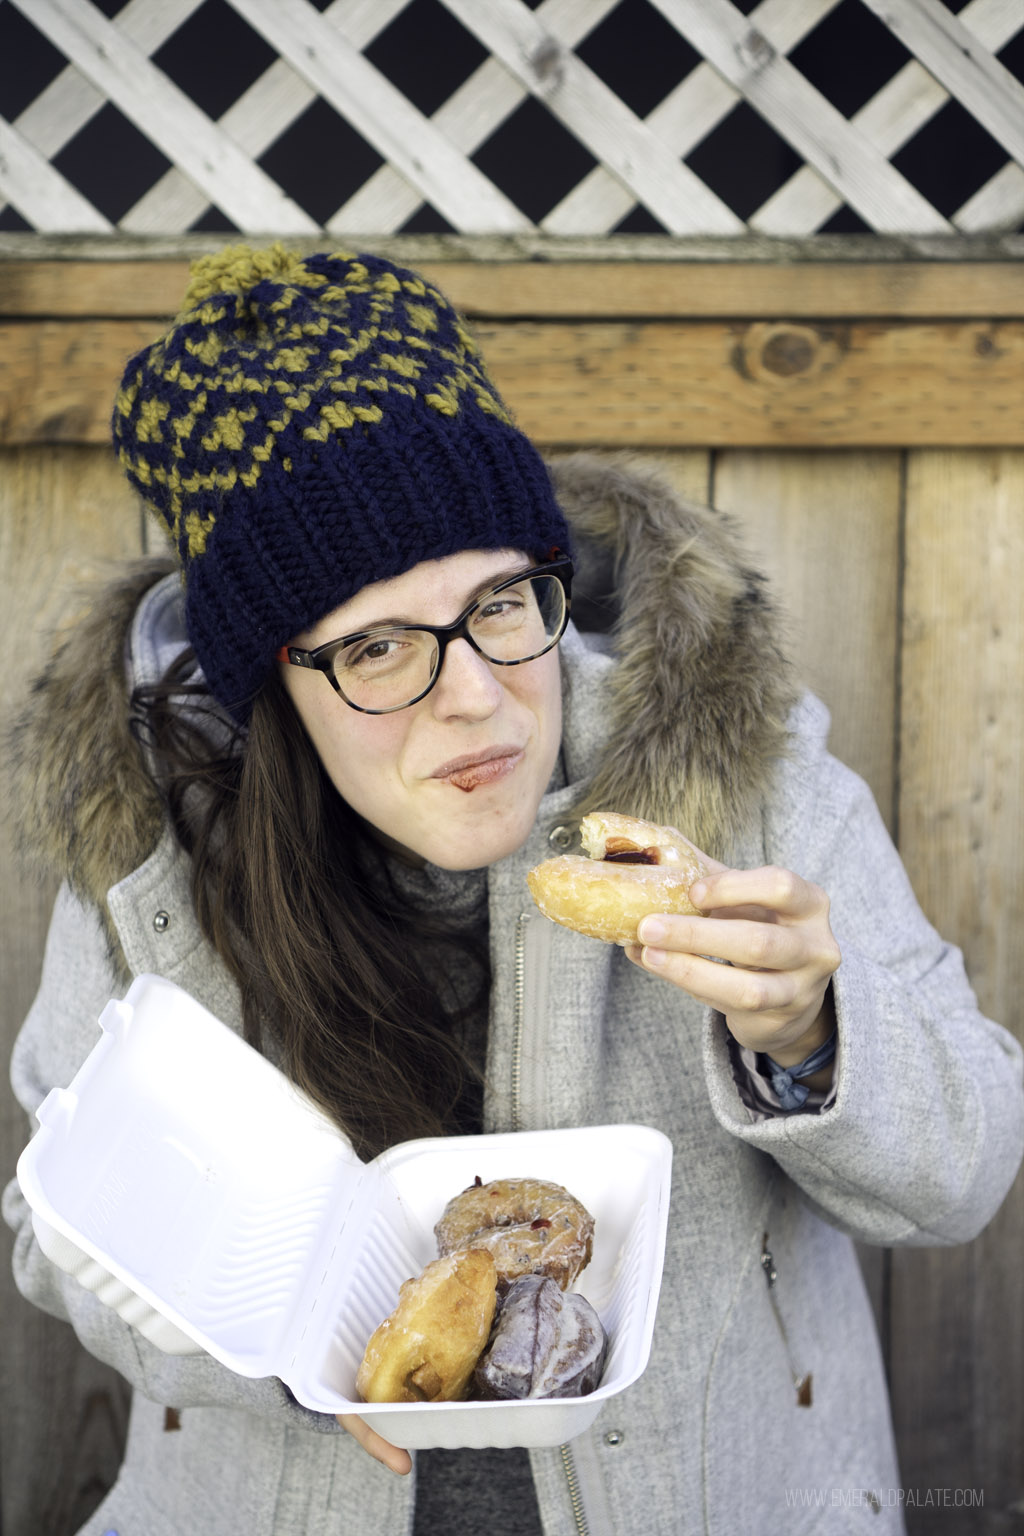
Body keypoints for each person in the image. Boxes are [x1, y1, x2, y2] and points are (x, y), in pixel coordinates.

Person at [4, 244, 1022, 1536]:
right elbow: (56, 1233)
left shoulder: (736, 776)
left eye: (499, 603)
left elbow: (972, 1161)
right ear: (272, 684)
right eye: (378, 645)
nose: (476, 691)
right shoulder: (161, 856)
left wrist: (814, 1038)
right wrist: (285, 1339)